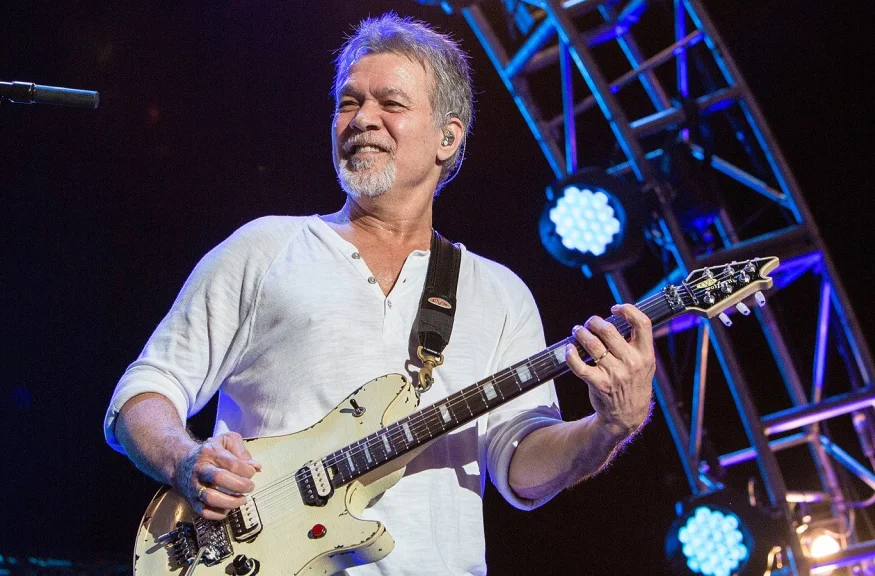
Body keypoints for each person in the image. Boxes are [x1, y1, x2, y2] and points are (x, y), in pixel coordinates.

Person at [104, 13, 656, 575]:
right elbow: (145, 391)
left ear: (448, 136)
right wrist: (185, 457)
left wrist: (608, 428)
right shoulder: (265, 248)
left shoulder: (501, 294)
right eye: (348, 103)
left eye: (390, 104)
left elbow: (519, 465)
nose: (362, 119)